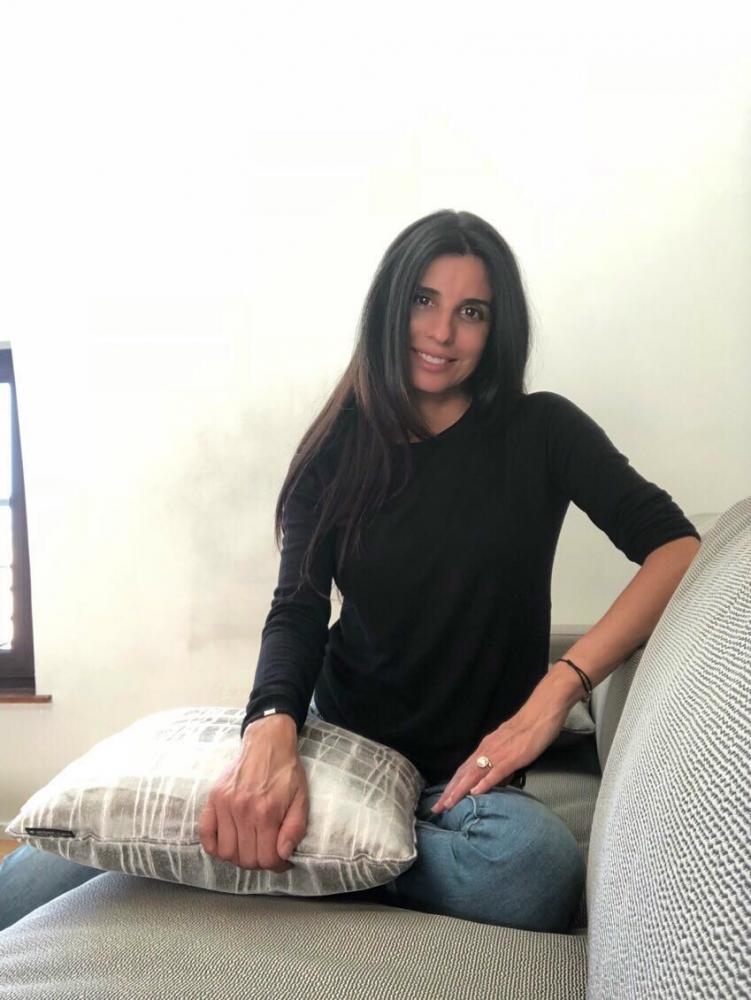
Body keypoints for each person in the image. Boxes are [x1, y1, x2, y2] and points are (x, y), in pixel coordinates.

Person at [0, 210, 700, 933]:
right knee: (117, 816)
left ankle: (303, 858)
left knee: (535, 871)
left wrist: (559, 689)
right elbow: (298, 608)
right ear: (391, 305)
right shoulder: (339, 446)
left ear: (497, 329)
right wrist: (270, 728)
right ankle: (315, 848)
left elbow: (676, 547)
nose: (441, 332)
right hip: (340, 747)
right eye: (424, 301)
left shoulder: (544, 431)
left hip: (463, 784)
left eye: (471, 312)